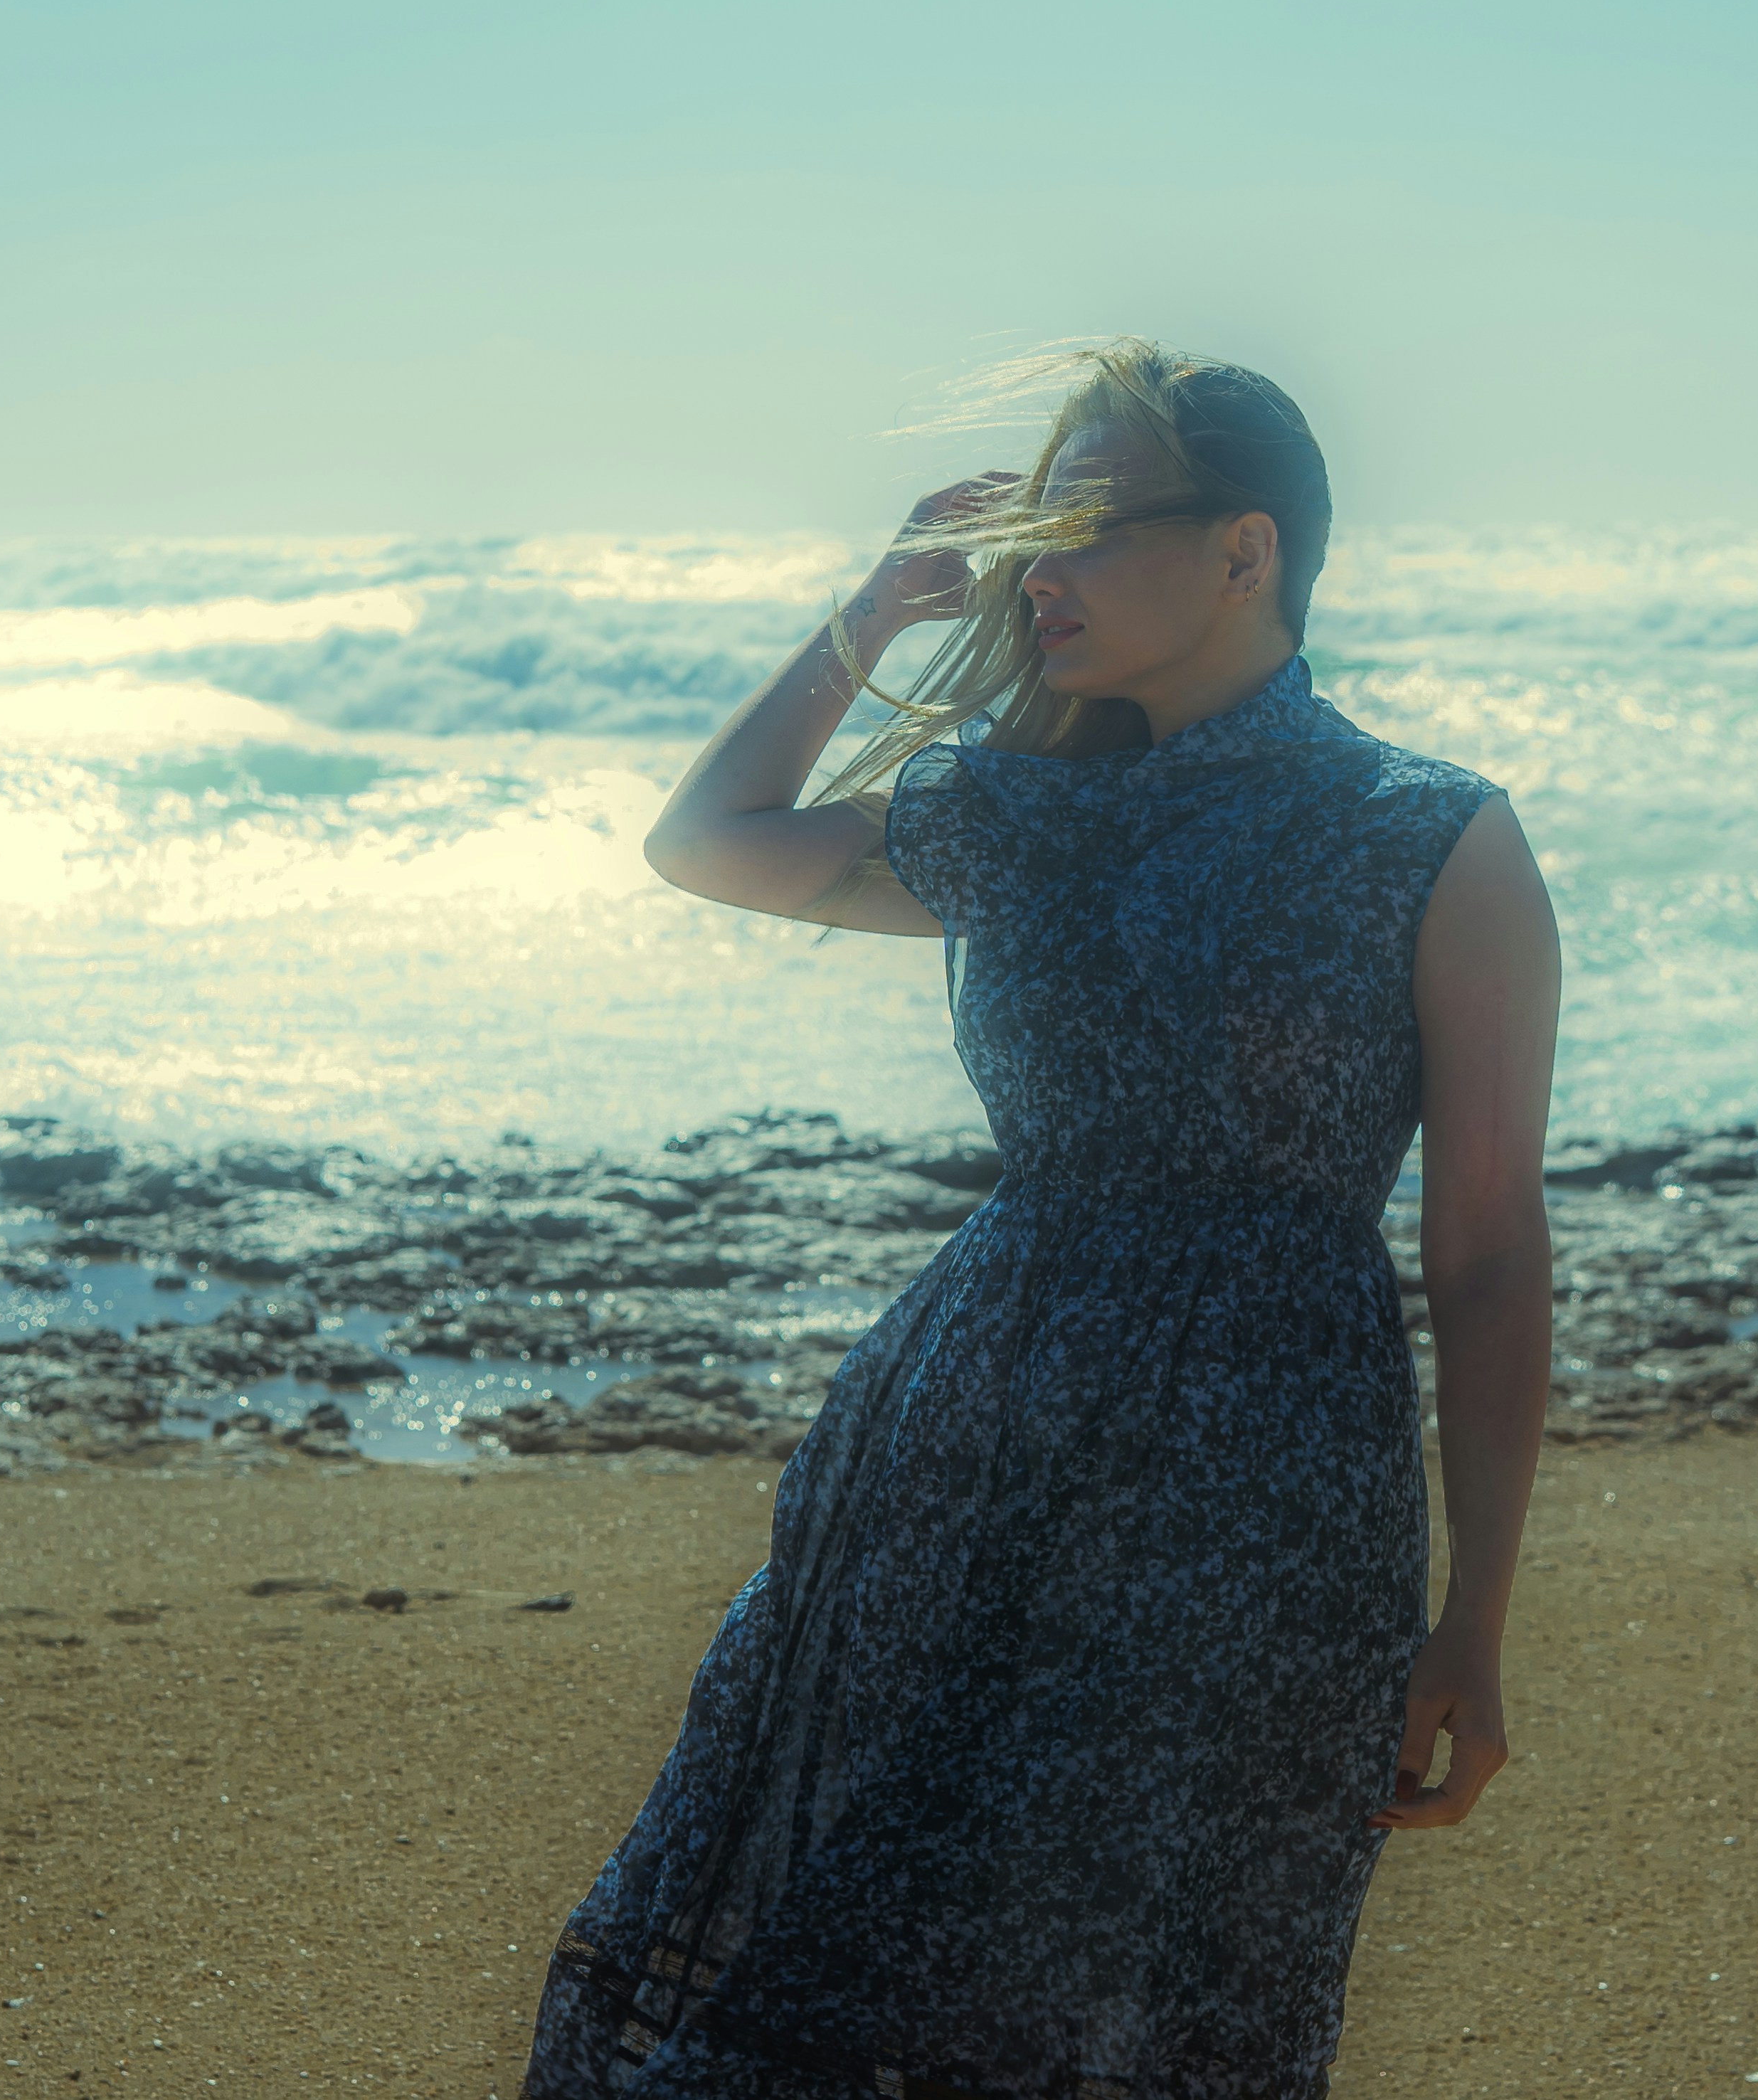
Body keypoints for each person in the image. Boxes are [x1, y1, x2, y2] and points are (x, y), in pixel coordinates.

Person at [520, 340, 1560, 2100]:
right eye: (1026, 534)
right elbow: (708, 838)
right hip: (957, 1449)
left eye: (1081, 525)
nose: (1036, 574)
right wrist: (878, 608)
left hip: (1267, 1498)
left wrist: (1476, 1617)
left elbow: (1482, 1248)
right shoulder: (1020, 820)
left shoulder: (1432, 840)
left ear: (1246, 549)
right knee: (856, 1964)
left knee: (1167, 1985)